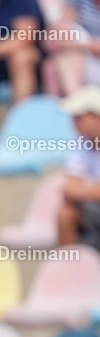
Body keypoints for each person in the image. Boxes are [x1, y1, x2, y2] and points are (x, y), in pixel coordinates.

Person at [58, 85, 100, 247]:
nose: (74, 124)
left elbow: (75, 188)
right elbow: (69, 189)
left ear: (96, 117)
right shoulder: (81, 140)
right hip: (93, 209)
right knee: (66, 214)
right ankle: (70, 270)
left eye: (78, 118)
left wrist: (84, 189)